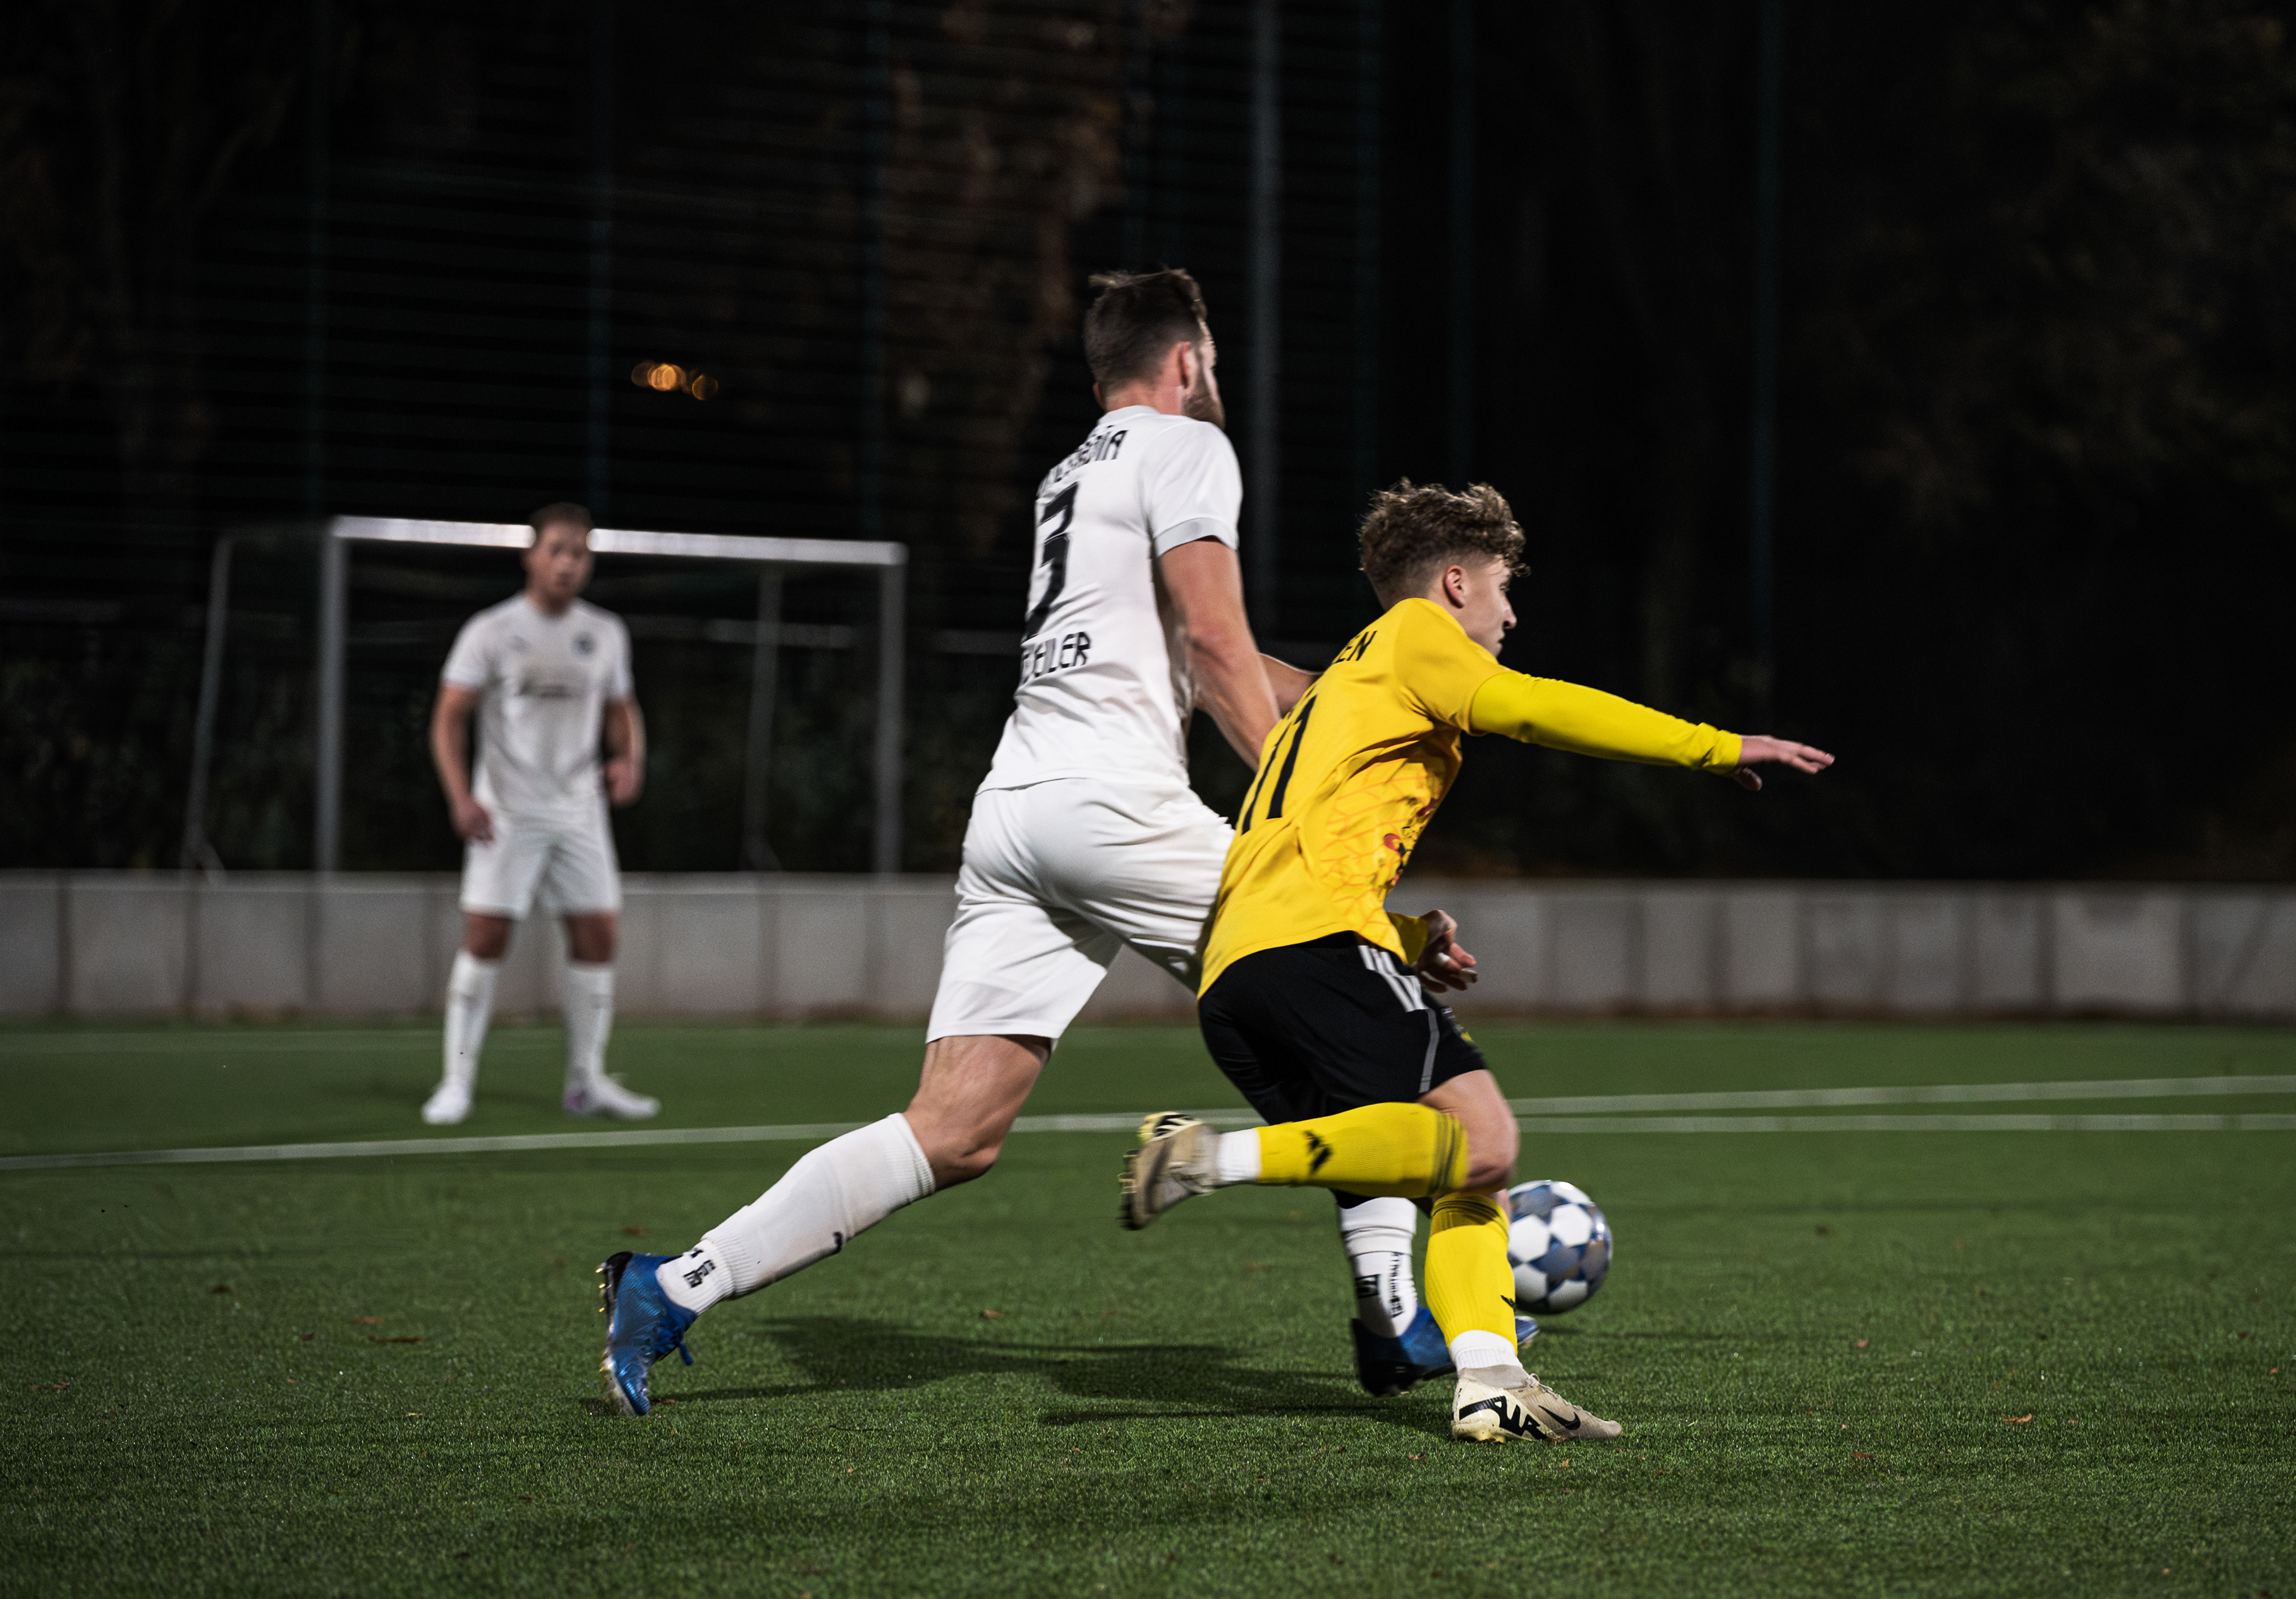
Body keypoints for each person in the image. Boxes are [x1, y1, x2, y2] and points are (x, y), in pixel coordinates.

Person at [595, 271, 1495, 1416]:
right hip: (1116, 807)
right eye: (1214, 359)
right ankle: (1392, 1316)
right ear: (1185, 362)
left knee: (953, 1129)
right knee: (1349, 1020)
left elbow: (1185, 654)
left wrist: (1350, 700)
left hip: (1019, 811)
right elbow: (1216, 644)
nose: (1217, 378)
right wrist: (1315, 810)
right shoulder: (1189, 446)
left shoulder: (1071, 472)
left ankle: (672, 1285)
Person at [1118, 480, 1833, 1444]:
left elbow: (1306, 844)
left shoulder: (1347, 679)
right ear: (1455, 582)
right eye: (1502, 588)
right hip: (1314, 943)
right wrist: (1709, 746)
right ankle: (1206, 1157)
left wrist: (1407, 938)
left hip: (1243, 966)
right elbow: (1532, 707)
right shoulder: (1418, 636)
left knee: (1463, 1167)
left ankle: (1492, 1381)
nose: (1510, 614)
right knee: (1487, 1136)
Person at [420, 502, 657, 1127]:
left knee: (599, 934)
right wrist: (460, 796)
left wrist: (629, 760)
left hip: (579, 810)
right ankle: (456, 1080)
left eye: (579, 553)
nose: (567, 563)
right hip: (507, 811)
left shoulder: (605, 632)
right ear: (531, 555)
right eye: (557, 550)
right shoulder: (492, 630)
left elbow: (621, 709)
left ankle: (587, 1081)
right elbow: (448, 717)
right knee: (486, 936)